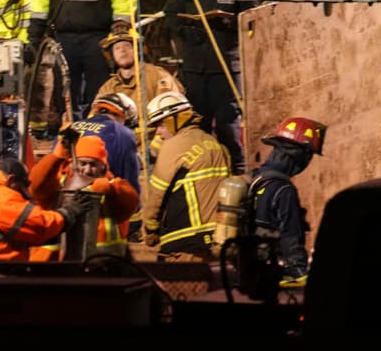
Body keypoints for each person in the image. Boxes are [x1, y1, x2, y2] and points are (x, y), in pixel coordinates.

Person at [162, 0, 245, 174]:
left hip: (225, 66)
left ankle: (238, 170)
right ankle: (200, 170)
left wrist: (231, 22)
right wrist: (184, 30)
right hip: (195, 66)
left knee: (228, 124)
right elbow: (170, 11)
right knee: (198, 125)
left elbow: (250, 12)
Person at [0, 156, 91, 262]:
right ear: (12, 180)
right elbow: (40, 226)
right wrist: (69, 211)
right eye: (23, 187)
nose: (23, 196)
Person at [140, 91, 231, 263]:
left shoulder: (173, 146)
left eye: (161, 125)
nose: (158, 132)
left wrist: (150, 229)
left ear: (176, 119)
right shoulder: (215, 144)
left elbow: (156, 195)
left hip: (186, 242)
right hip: (219, 238)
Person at [28, 134, 139, 258]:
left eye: (93, 165)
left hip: (101, 267)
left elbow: (131, 202)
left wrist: (109, 188)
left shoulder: (112, 187)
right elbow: (35, 185)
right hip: (53, 267)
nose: (87, 170)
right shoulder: (58, 185)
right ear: (72, 163)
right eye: (82, 163)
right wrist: (57, 156)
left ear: (103, 167)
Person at [247, 116, 327, 286]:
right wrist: (300, 271)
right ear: (300, 155)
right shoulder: (283, 189)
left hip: (250, 271)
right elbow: (290, 235)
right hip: (273, 273)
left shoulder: (254, 179)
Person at [95, 31, 184, 109]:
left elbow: (174, 105)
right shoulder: (108, 88)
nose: (122, 50)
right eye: (117, 48)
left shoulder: (157, 75)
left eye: (127, 46)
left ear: (138, 50)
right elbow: (97, 118)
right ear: (112, 55)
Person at [69, 92, 140, 186]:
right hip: (94, 193)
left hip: (61, 191)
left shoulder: (72, 127)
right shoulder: (122, 132)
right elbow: (130, 182)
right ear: (124, 117)